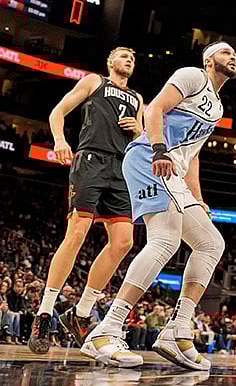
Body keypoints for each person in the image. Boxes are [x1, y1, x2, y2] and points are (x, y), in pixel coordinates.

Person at [81, 42, 236, 370]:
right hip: (148, 158)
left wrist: (198, 198)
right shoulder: (193, 76)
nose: (233, 57)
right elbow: (154, 110)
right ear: (209, 60)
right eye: (226, 52)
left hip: (174, 172)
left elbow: (192, 155)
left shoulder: (218, 107)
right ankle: (105, 330)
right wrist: (159, 149)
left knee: (210, 244)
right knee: (164, 240)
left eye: (234, 55)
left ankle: (177, 331)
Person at [28, 47, 143, 353]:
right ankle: (44, 313)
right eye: (123, 56)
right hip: (92, 160)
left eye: (132, 58)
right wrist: (60, 140)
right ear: (110, 62)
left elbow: (142, 141)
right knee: (77, 233)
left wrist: (140, 130)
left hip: (122, 167)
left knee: (123, 242)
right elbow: (57, 111)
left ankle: (80, 313)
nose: (129, 60)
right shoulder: (95, 82)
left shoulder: (138, 99)